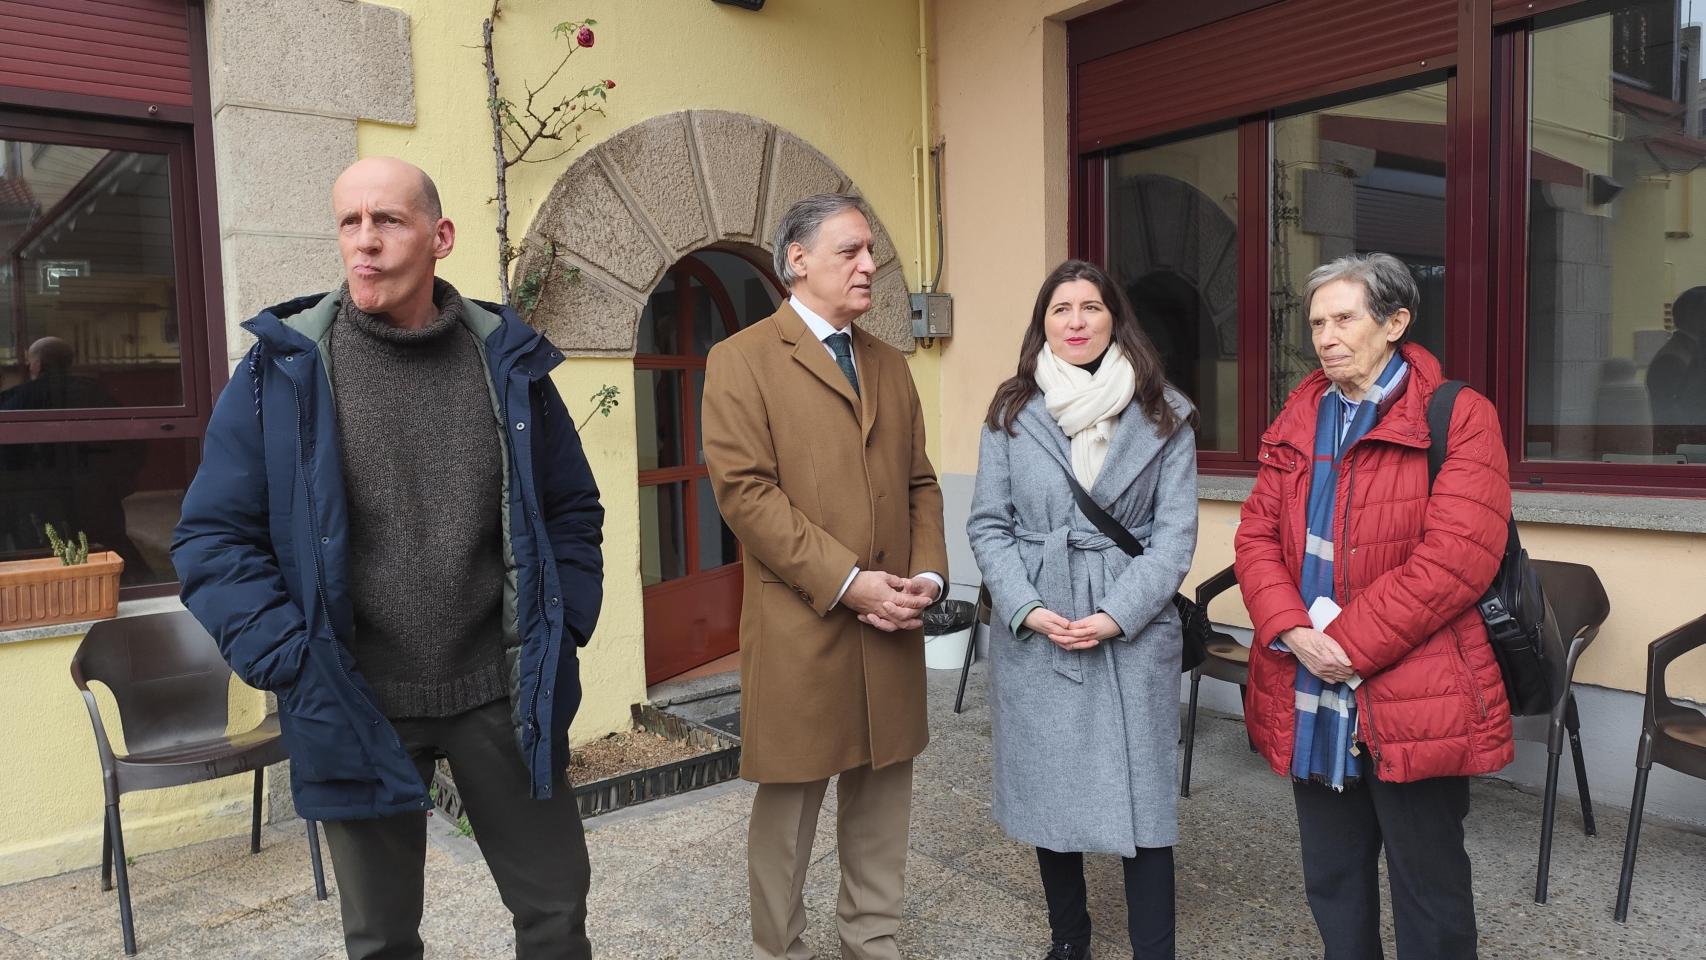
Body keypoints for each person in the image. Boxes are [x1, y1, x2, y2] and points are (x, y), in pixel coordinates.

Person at [171, 156, 603, 960]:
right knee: (380, 939)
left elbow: (571, 506)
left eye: (387, 221)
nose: (363, 243)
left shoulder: (506, 361)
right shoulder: (282, 372)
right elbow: (210, 538)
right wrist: (292, 661)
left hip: (500, 692)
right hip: (352, 695)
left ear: (439, 237)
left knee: (556, 914)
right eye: (348, 222)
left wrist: (566, 621)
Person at [1235, 252, 1514, 959]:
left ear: (1394, 322)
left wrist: (1345, 649)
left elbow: (1457, 561)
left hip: (1413, 692)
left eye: (1345, 318)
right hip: (1310, 690)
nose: (1327, 336)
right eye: (1317, 322)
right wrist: (1294, 632)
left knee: (1430, 893)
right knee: (1332, 880)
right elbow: (1256, 535)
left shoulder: (1459, 415)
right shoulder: (1299, 415)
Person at [700, 192, 949, 960]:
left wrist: (926, 581)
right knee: (789, 809)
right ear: (797, 260)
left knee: (883, 800)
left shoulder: (889, 364)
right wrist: (850, 581)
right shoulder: (740, 361)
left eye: (870, 250)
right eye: (851, 251)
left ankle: (871, 941)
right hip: (803, 625)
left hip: (891, 623)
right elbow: (746, 494)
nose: (870, 265)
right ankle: (782, 949)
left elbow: (920, 484)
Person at [967, 259, 1198, 960]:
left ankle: (1152, 948)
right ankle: (1069, 941)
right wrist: (1027, 607)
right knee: (1050, 791)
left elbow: (1174, 536)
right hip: (1040, 622)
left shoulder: (1165, 414)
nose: (1075, 321)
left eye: (1090, 307)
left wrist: (1117, 614)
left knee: (1146, 801)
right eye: (1060, 309)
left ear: (1113, 318)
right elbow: (988, 524)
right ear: (1043, 324)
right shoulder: (1012, 411)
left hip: (1130, 628)